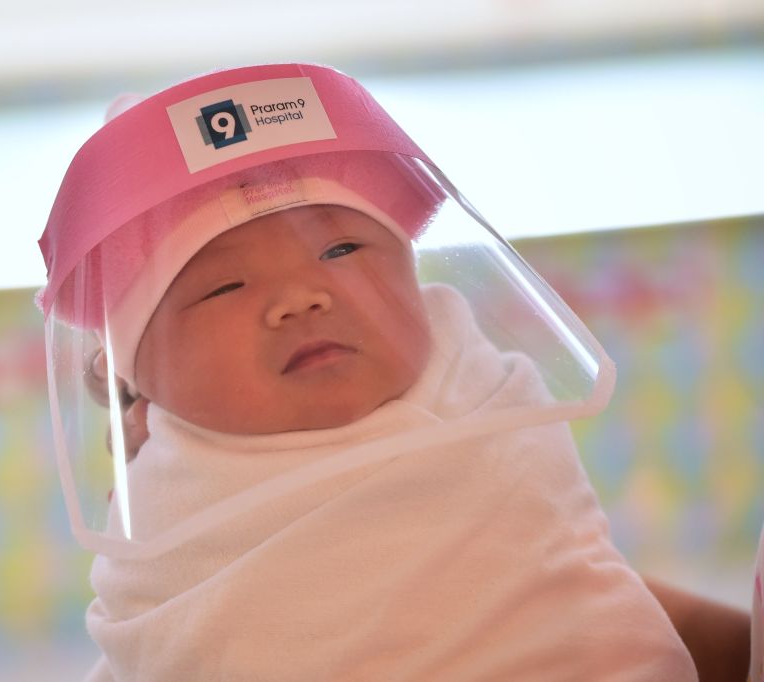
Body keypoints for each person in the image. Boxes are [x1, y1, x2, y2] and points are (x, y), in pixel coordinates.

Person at [37, 63, 704, 680]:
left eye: (341, 247)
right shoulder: (171, 512)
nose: (300, 296)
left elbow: (562, 581)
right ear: (142, 385)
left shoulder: (480, 389)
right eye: (225, 286)